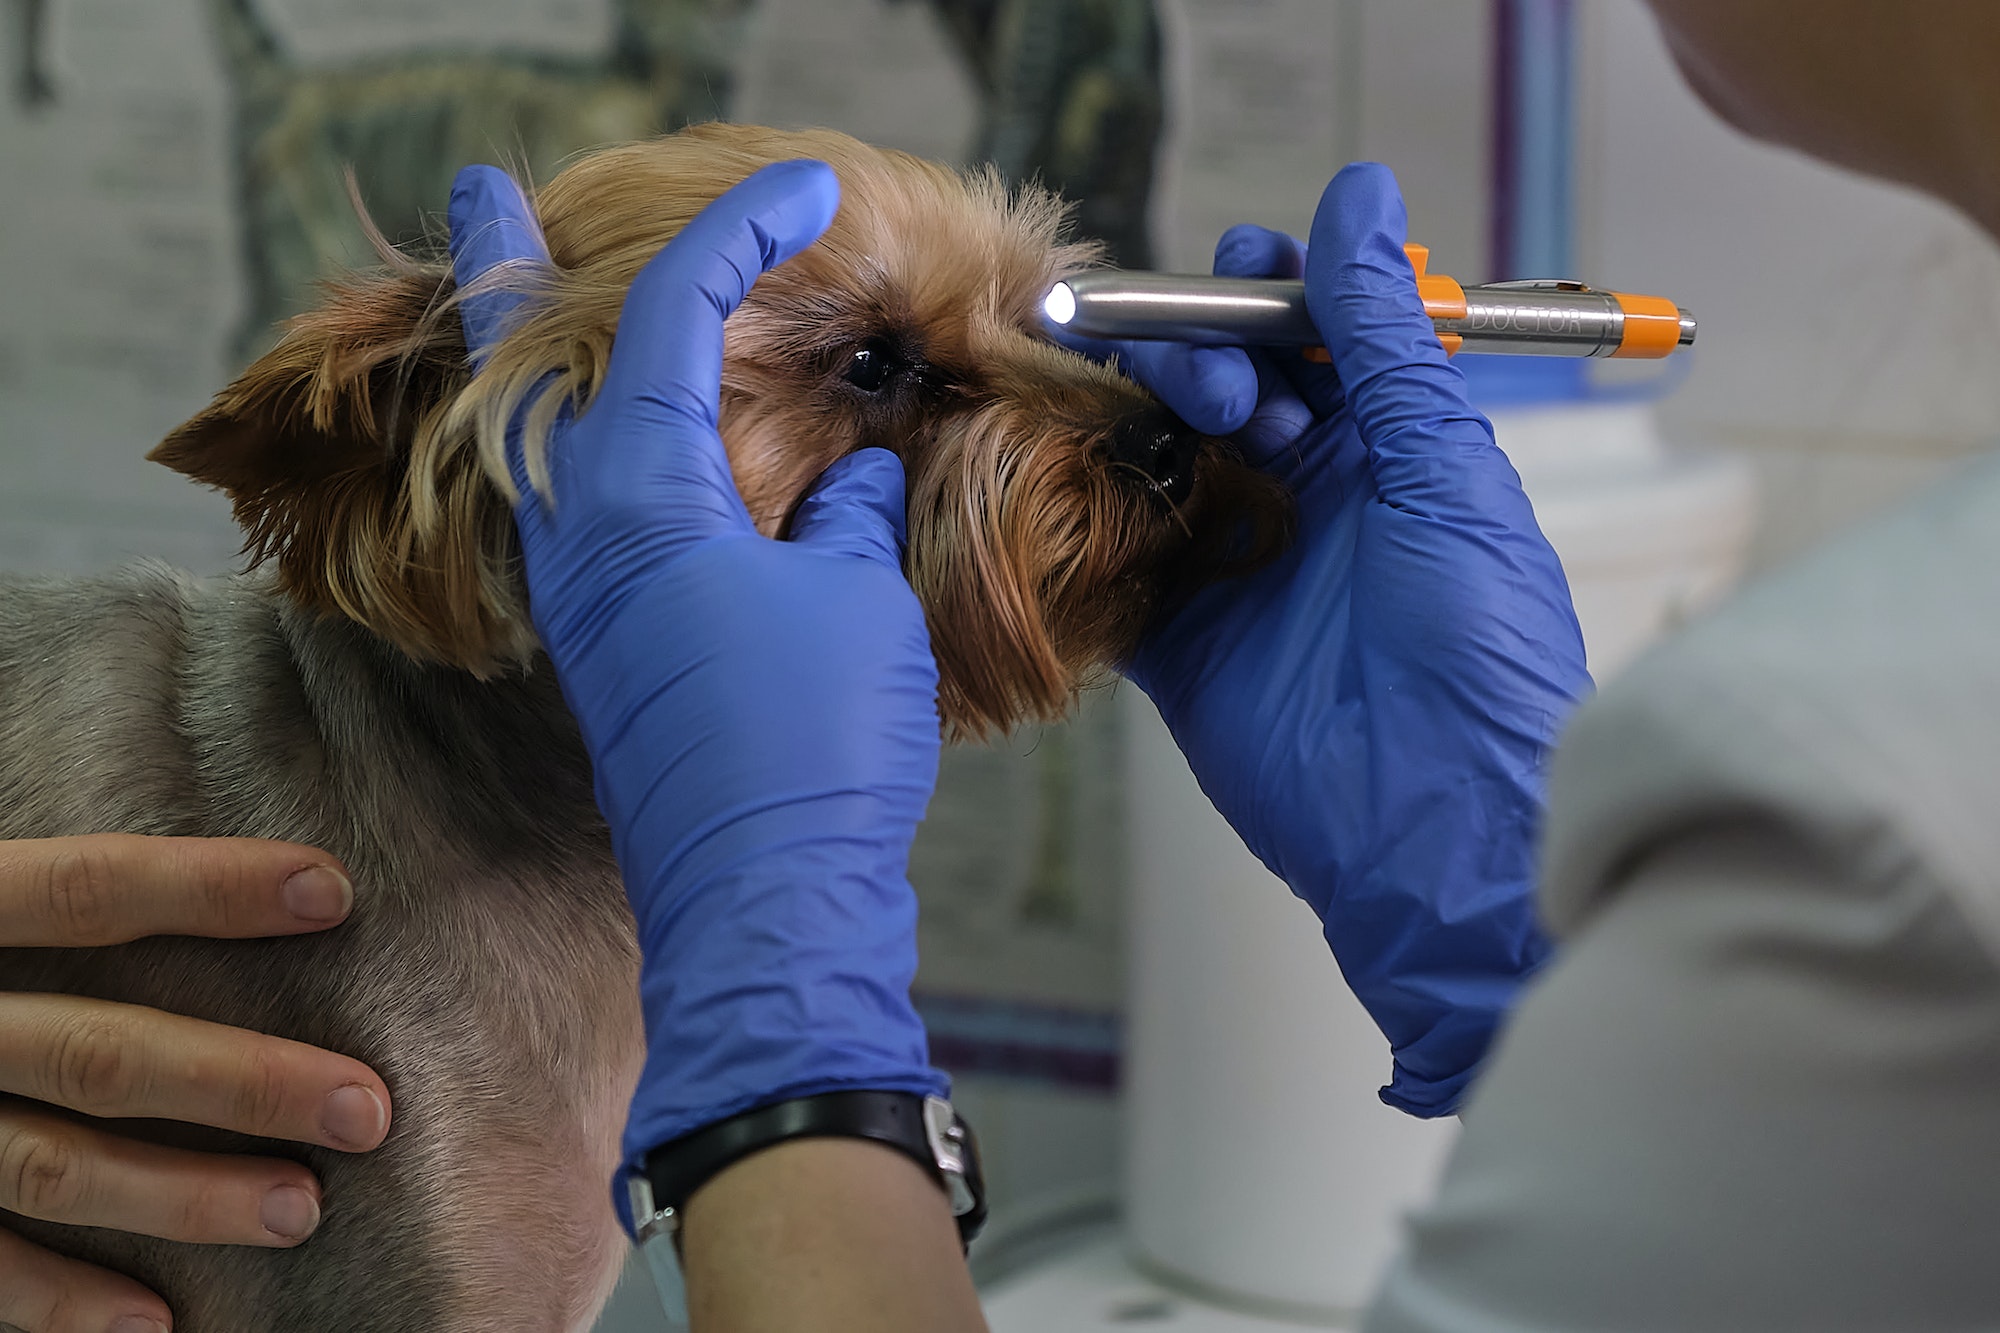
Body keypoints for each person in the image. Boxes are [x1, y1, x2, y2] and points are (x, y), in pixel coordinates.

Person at [14, 1, 1996, 1330]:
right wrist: (1535, 968)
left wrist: (794, 1062)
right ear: (430, 452)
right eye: (875, 368)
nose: (1122, 425)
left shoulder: (1849, 813)